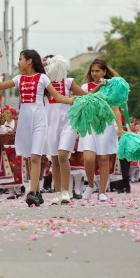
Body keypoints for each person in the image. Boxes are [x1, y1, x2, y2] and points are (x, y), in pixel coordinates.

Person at [0, 50, 75, 207]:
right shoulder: (18, 78)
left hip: (39, 119)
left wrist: (72, 101)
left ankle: (31, 192)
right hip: (24, 120)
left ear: (29, 61)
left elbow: (57, 96)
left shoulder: (42, 78)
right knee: (29, 157)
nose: (18, 62)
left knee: (36, 157)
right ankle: (36, 192)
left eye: (20, 59)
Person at [42, 55, 87, 205]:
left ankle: (66, 191)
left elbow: (85, 96)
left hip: (68, 122)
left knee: (63, 155)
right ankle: (57, 192)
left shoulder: (68, 82)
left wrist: (101, 93)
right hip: (51, 122)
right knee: (54, 158)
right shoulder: (43, 83)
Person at [78, 59, 124, 202]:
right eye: (92, 71)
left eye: (98, 71)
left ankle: (102, 191)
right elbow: (84, 100)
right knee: (88, 158)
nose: (94, 74)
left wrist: (120, 128)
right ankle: (91, 185)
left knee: (104, 158)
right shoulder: (85, 86)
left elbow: (115, 109)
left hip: (105, 125)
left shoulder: (111, 88)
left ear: (104, 72)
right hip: (89, 125)